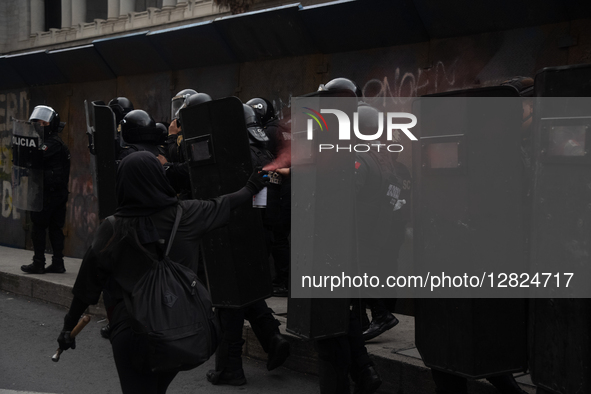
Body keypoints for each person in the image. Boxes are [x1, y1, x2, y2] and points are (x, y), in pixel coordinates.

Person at [56, 151, 270, 394]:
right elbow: (226, 203)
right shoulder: (188, 214)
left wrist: (68, 328)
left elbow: (86, 287)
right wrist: (252, 186)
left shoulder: (113, 228)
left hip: (131, 332)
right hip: (180, 331)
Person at [21, 105, 71, 274]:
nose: (39, 126)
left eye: (43, 123)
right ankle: (57, 263)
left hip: (48, 194)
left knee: (39, 227)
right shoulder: (51, 143)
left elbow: (36, 156)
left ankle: (39, 263)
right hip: (54, 192)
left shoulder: (52, 144)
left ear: (51, 124)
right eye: (37, 123)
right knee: (55, 228)